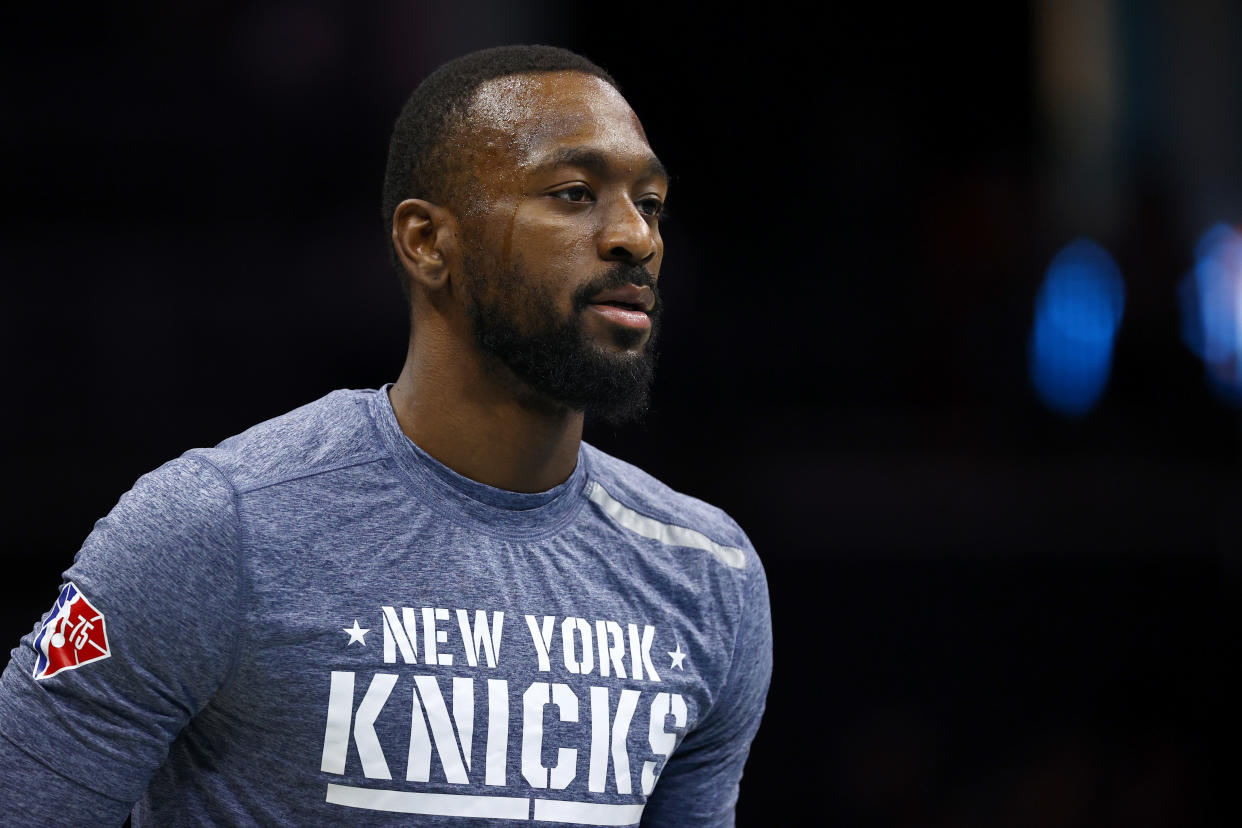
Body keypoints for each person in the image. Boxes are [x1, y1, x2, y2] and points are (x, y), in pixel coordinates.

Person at [0, 45, 772, 826]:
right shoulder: (221, 528)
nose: (635, 237)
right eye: (575, 194)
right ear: (427, 242)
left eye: (651, 202)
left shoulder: (706, 576)